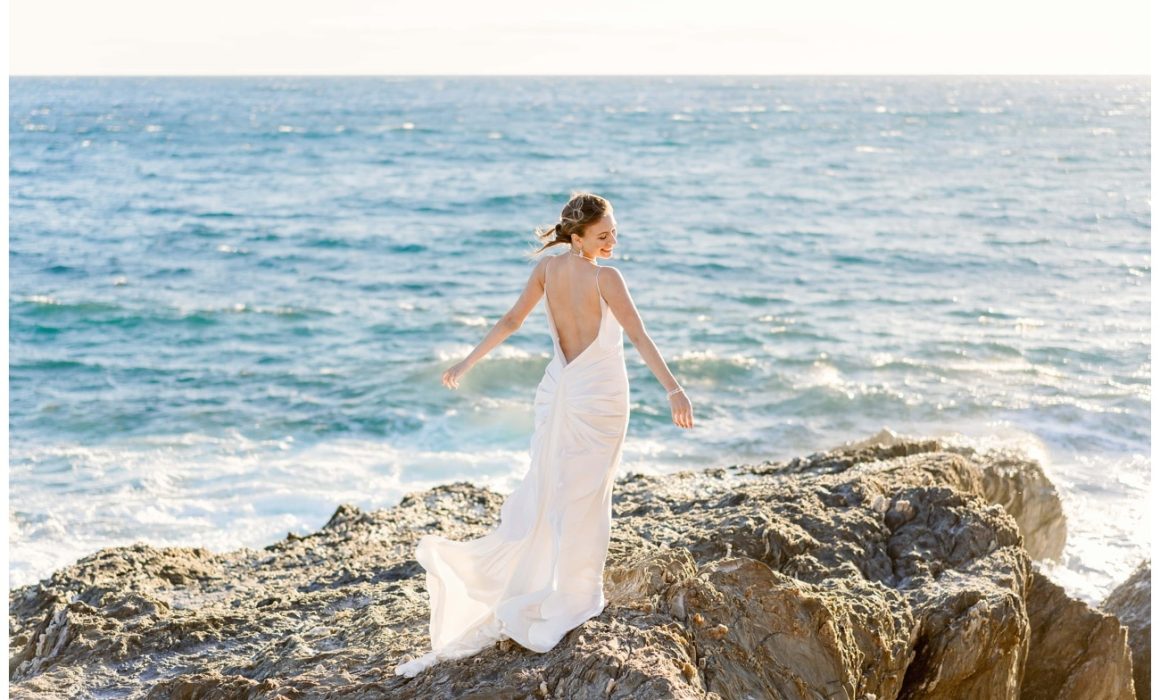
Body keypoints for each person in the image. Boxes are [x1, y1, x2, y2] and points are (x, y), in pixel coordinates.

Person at [394, 192, 693, 678]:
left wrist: (467, 361)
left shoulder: (548, 271)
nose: (613, 239)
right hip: (597, 397)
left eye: (613, 229)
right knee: (587, 494)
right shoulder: (606, 277)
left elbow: (512, 321)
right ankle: (575, 594)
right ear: (577, 237)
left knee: (557, 489)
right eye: (603, 234)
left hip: (559, 390)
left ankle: (558, 584)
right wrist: (674, 390)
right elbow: (637, 334)